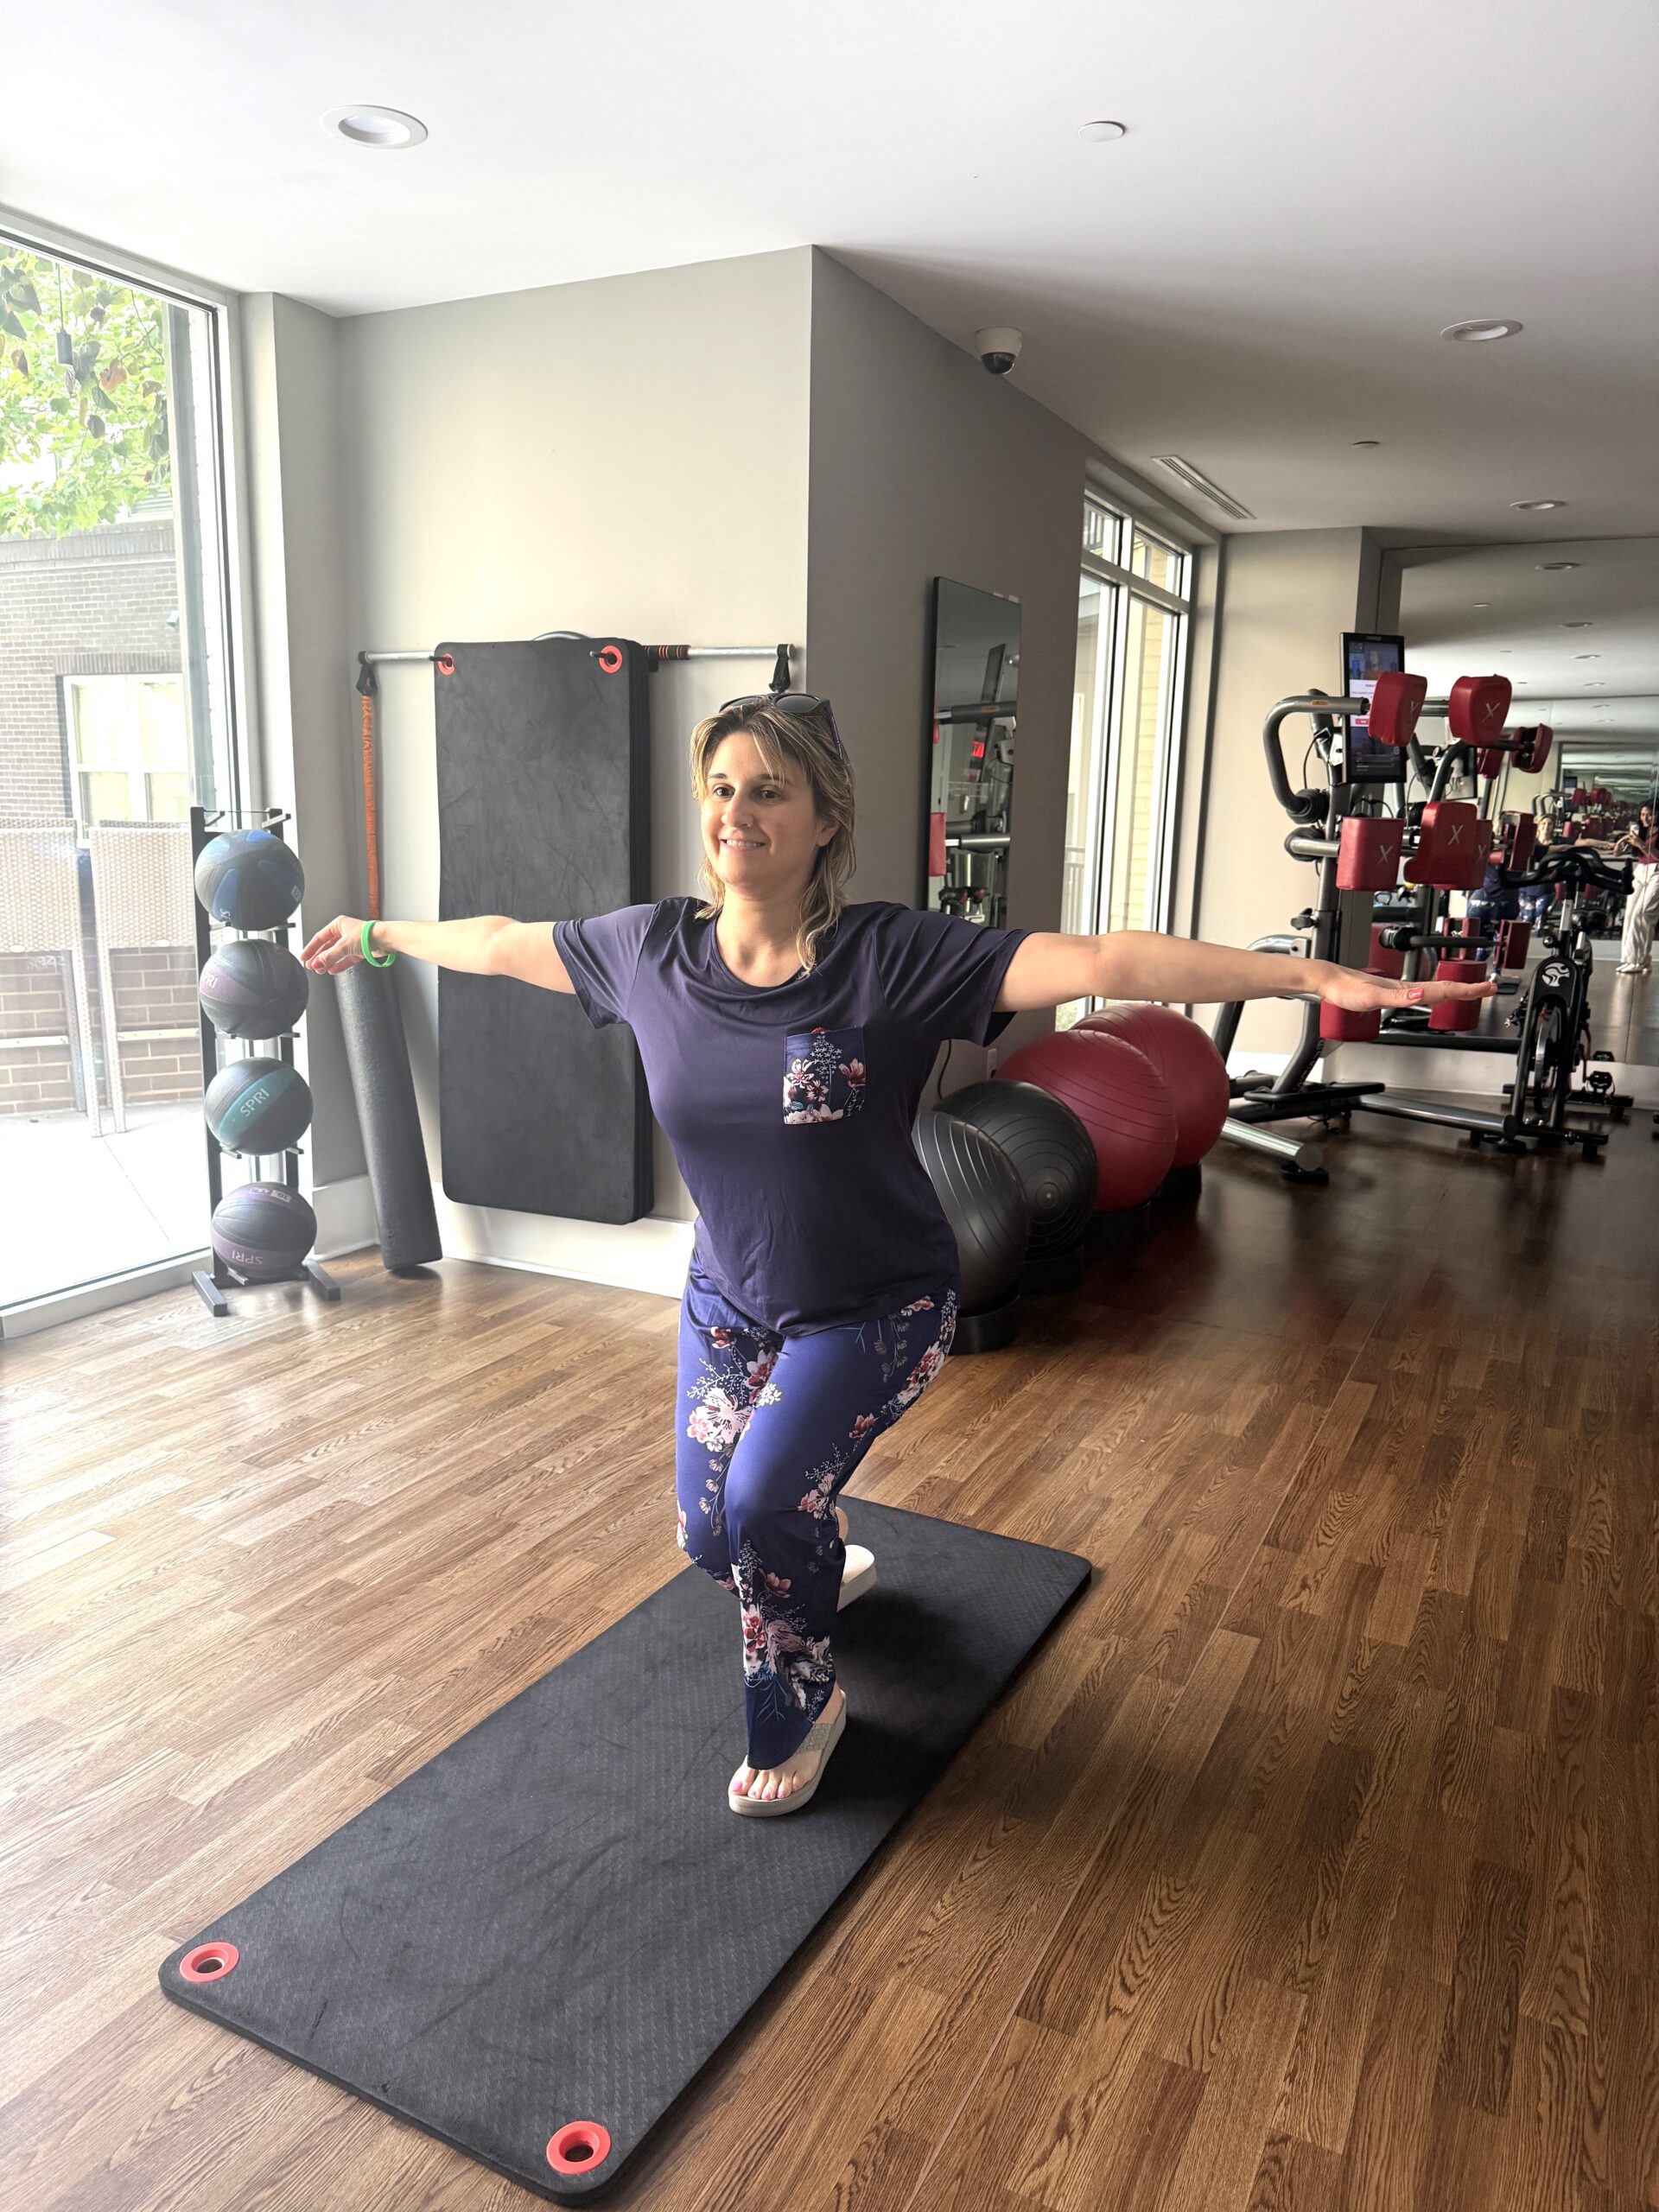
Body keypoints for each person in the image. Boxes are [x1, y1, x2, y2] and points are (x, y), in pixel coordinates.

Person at [302, 692, 1494, 1818]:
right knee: (709, 1536)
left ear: (825, 823)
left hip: (875, 1308)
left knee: (766, 1501)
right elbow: (503, 941)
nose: (736, 815)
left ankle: (804, 1712)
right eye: (722, 788)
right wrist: (376, 932)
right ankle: (818, 1552)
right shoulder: (647, 953)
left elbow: (1101, 965)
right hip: (731, 1302)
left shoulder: (893, 958)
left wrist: (1306, 974)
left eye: (770, 792)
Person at [1612, 804, 1659, 974]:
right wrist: (1620, 845)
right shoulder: (1640, 831)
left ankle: (1637, 961)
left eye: (1650, 815)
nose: (1645, 819)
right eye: (1643, 814)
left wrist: (1641, 844)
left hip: (1657, 872)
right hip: (1640, 871)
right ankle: (1634, 959)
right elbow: (1618, 853)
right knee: (1631, 914)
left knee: (1643, 914)